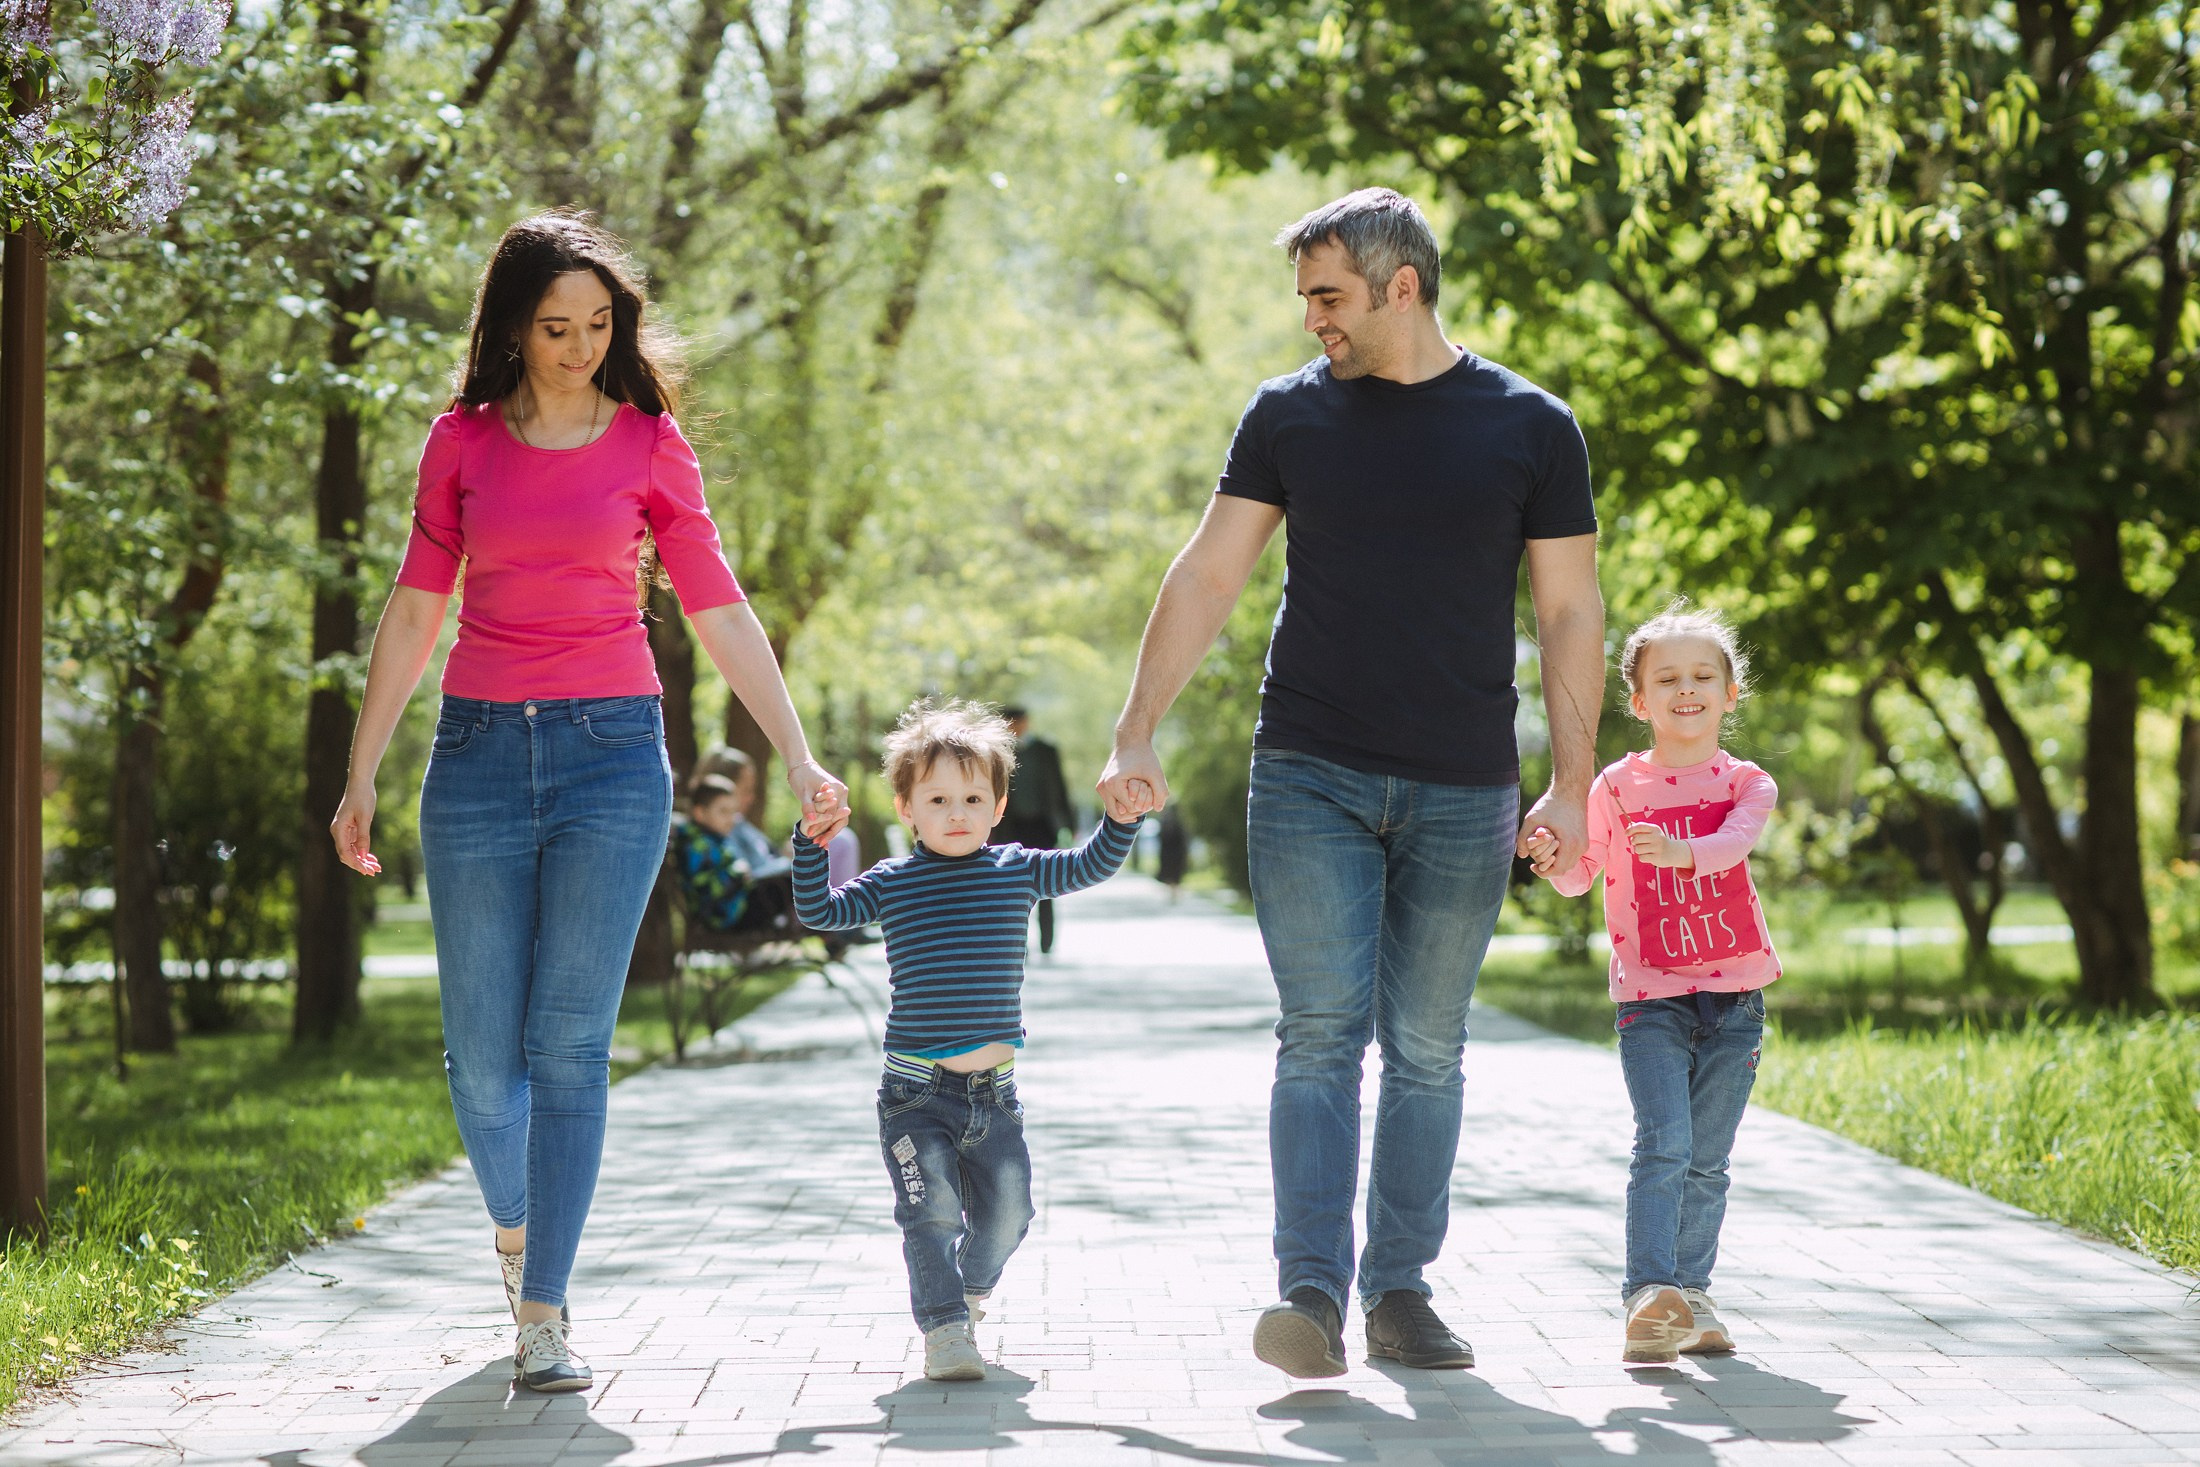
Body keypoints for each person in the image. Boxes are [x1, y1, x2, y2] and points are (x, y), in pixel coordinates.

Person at [326, 210, 848, 1394]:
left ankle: (546, 1308)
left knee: (569, 1047)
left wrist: (800, 753)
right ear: (511, 327)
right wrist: (361, 770)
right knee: (478, 1062)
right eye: (555, 326)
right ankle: (515, 1229)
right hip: (473, 758)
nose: (577, 346)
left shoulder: (650, 445)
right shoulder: (459, 441)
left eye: (598, 325)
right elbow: (415, 608)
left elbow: (719, 608)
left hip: (614, 756)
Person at [1095, 187, 1607, 1378]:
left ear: (1403, 285)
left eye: (1329, 296)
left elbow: (1570, 607)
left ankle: (1402, 1294)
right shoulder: (1287, 416)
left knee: (1427, 1046)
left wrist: (1571, 783)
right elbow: (1211, 573)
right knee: (1320, 1035)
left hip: (1464, 780)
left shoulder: (1531, 424)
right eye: (1305, 298)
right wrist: (1135, 732)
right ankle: (1311, 1297)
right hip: (1310, 770)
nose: (1311, 319)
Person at [790, 700, 1141, 1382]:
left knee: (1010, 1216)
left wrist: (1120, 820)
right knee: (931, 1214)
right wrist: (813, 846)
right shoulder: (893, 883)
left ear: (999, 806)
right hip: (914, 1094)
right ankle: (945, 1330)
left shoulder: (1017, 869)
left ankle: (966, 1292)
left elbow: (1090, 865)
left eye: (974, 797)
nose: (958, 812)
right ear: (905, 808)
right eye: (939, 798)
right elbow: (820, 912)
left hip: (995, 1096)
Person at [1524, 605, 1778, 1365]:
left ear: (1731, 693)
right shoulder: (1615, 784)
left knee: (1708, 1155)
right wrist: (1549, 855)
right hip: (1651, 999)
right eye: (1666, 679)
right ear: (1639, 701)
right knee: (1663, 1142)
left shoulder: (1747, 782)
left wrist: (1678, 849)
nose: (1686, 689)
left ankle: (1692, 1296)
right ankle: (1648, 1295)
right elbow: (1581, 875)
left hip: (1736, 998)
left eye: (1703, 676)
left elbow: (1735, 842)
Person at [996, 706, 1075, 954]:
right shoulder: (997, 752)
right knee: (1013, 887)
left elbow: (1060, 787)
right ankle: (1020, 945)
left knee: (1046, 882)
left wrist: (1068, 823)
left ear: (1026, 722)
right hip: (1010, 827)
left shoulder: (1045, 751)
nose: (1014, 727)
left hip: (1042, 825)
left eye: (1017, 722)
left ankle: (1047, 942)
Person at [675, 775, 761, 933]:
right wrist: (738, 873)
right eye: (723, 811)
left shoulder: (712, 839)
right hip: (720, 917)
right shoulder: (698, 846)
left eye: (733, 812)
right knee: (787, 885)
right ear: (700, 813)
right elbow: (706, 892)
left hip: (731, 909)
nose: (731, 819)